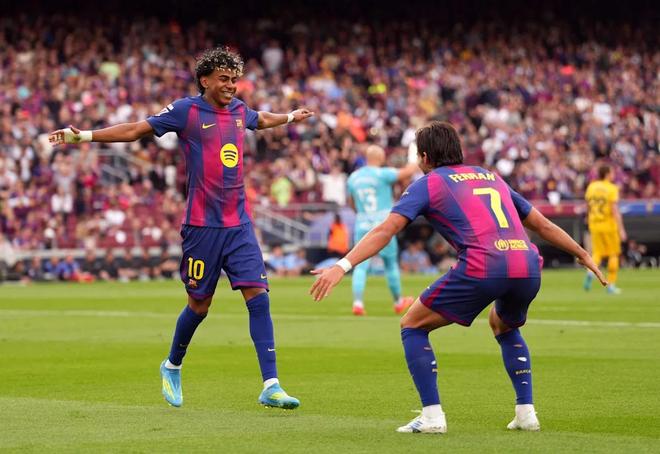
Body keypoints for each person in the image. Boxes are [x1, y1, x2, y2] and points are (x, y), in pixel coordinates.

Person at [49, 46, 314, 410]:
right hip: (202, 227)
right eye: (223, 79)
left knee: (259, 296)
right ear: (204, 80)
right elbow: (135, 130)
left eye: (234, 80)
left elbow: (261, 119)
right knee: (199, 305)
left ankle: (271, 385)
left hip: (239, 224)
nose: (231, 86)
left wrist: (289, 117)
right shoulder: (185, 111)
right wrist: (85, 136)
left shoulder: (239, 110)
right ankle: (172, 364)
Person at [310, 121, 606, 434]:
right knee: (503, 325)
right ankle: (526, 413)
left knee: (412, 324)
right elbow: (542, 225)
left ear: (425, 157)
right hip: (527, 264)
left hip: (485, 264)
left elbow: (386, 229)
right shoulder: (490, 176)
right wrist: (582, 253)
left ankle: (432, 417)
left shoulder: (429, 183)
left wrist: (342, 265)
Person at [346, 145, 418, 315]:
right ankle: (398, 301)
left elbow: (351, 202)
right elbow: (408, 172)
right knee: (390, 263)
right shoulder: (383, 174)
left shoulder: (353, 177)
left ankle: (358, 303)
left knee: (359, 265)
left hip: (362, 222)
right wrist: (415, 157)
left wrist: (362, 214)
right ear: (380, 158)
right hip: (383, 224)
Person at [583, 164, 626, 294]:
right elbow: (614, 210)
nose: (613, 175)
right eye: (612, 173)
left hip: (594, 225)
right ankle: (611, 285)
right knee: (613, 254)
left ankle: (590, 272)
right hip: (609, 226)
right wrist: (621, 229)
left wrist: (587, 218)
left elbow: (588, 205)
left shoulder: (592, 186)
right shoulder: (612, 188)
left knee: (597, 253)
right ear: (607, 174)